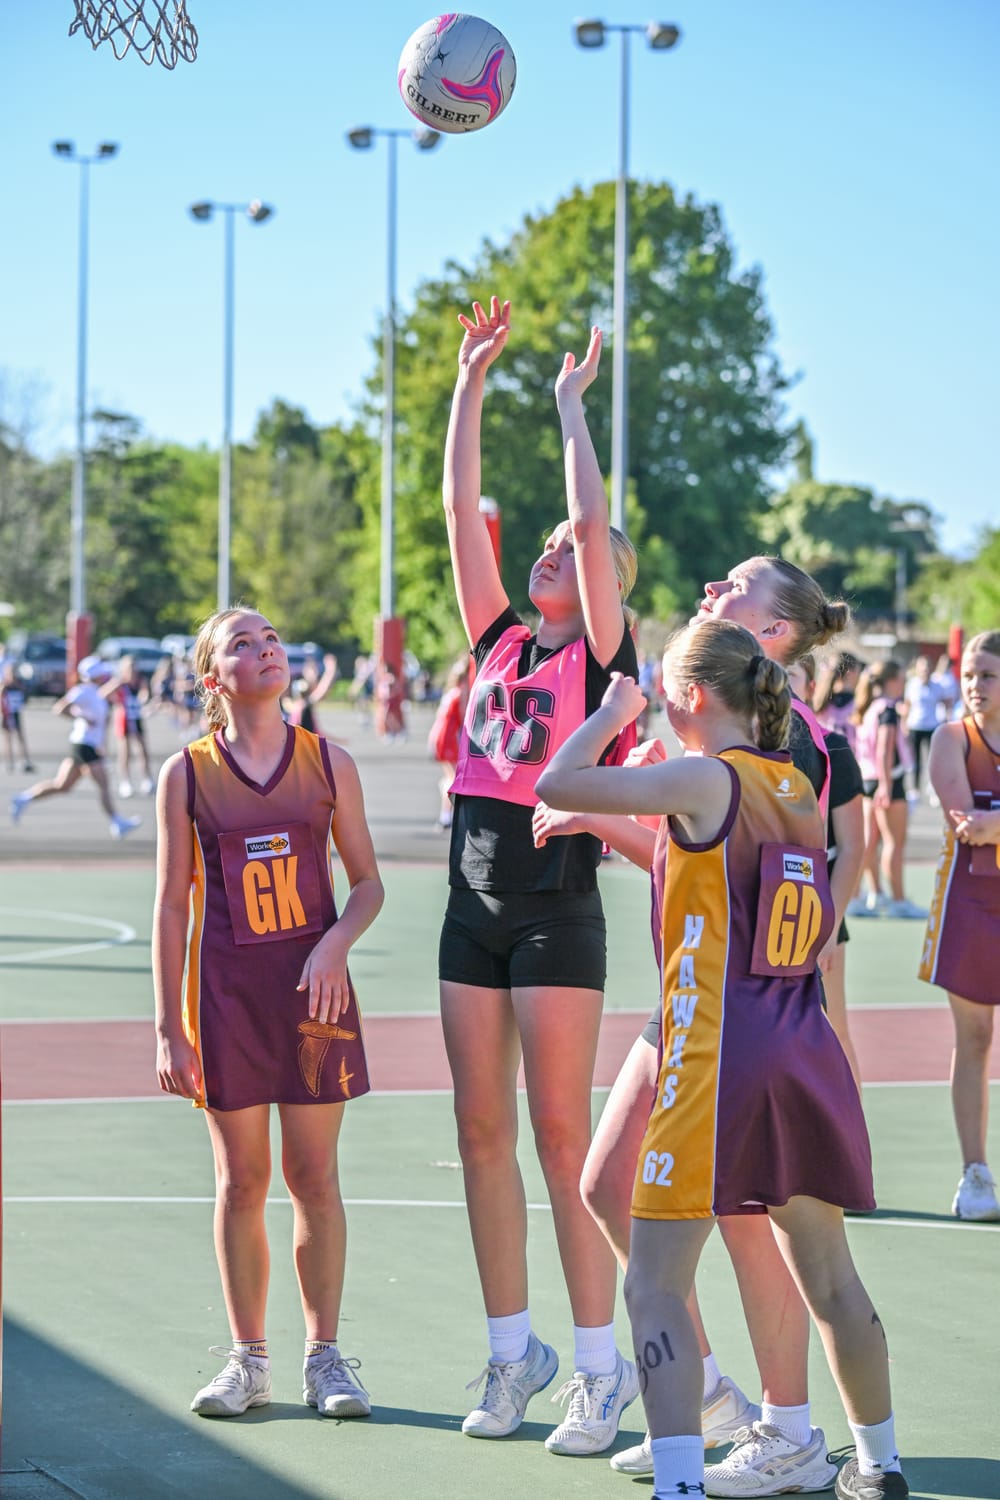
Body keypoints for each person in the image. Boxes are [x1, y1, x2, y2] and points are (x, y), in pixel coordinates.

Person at [536, 618, 908, 1500]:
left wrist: (609, 710)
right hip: (802, 1047)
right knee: (830, 1275)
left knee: (657, 1284)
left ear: (693, 696)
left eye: (663, 688)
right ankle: (879, 1463)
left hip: (718, 1057)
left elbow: (555, 779)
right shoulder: (795, 787)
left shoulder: (706, 776)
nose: (657, 701)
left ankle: (678, 1484)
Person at [439, 296, 640, 1456]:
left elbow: (585, 506)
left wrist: (568, 406)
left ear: (607, 576)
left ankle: (600, 1369)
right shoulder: (501, 639)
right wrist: (473, 380)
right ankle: (514, 1354)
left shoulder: (602, 657)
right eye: (553, 546)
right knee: (479, 1132)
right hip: (472, 895)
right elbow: (461, 510)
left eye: (576, 548)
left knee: (562, 1137)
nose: (554, 547)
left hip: (557, 901)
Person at [152, 607, 384, 1419]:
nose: (266, 649)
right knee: (240, 1180)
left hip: (314, 1002)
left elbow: (367, 884)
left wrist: (334, 947)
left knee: (314, 1177)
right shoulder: (186, 774)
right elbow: (170, 910)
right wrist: (167, 1026)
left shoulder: (329, 762)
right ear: (216, 679)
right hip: (226, 1002)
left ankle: (326, 1358)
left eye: (272, 638)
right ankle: (249, 1360)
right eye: (242, 644)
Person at [919, 630, 1000, 1221]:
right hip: (970, 902)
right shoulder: (951, 739)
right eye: (970, 673)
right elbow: (964, 824)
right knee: (973, 1040)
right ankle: (975, 1174)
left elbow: (986, 821)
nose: (975, 684)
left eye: (988, 674)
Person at [8, 655, 141, 839]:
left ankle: (23, 799)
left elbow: (110, 690)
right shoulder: (83, 691)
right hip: (83, 744)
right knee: (103, 784)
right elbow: (59, 708)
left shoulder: (96, 691)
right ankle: (117, 823)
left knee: (62, 785)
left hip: (87, 744)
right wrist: (83, 718)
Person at [850, 662, 925, 919]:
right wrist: (887, 784)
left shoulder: (871, 706)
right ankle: (898, 900)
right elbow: (884, 749)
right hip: (887, 780)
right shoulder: (888, 710)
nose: (903, 684)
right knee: (894, 842)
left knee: (869, 842)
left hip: (868, 778)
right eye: (902, 679)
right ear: (892, 680)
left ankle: (863, 894)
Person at [427, 656, 470, 830]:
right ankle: (446, 816)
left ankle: (447, 815)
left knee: (449, 776)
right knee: (453, 778)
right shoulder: (462, 692)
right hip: (448, 736)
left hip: (439, 734)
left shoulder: (450, 691)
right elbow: (464, 718)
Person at [104, 653, 156, 797]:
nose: (132, 671)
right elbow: (103, 693)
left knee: (142, 749)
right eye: (129, 668)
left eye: (134, 667)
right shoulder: (120, 682)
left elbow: (144, 694)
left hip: (136, 717)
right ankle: (125, 781)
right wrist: (116, 699)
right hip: (124, 718)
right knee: (125, 751)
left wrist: (143, 699)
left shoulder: (140, 681)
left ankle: (147, 779)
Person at [902, 656, 944, 800]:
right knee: (916, 759)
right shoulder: (912, 684)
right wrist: (904, 723)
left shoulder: (937, 685)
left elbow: (946, 701)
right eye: (922, 668)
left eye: (927, 668)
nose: (925, 671)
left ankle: (933, 788)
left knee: (933, 759)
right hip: (915, 726)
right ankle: (915, 788)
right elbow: (907, 706)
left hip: (932, 726)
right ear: (918, 669)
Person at [814, 652, 863, 753]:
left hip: (823, 760)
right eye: (858, 671)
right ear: (850, 673)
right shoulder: (857, 703)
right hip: (849, 761)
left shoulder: (819, 701)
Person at [283, 652, 338, 735]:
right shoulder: (299, 705)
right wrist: (330, 671)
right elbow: (320, 691)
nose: (314, 673)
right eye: (311, 669)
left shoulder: (303, 705)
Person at [1, 661, 34, 772]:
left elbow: (25, 698)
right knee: (8, 738)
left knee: (20, 737)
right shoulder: (5, 686)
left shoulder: (19, 685)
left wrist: (21, 688)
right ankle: (10, 762)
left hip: (16, 713)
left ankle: (25, 761)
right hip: (7, 713)